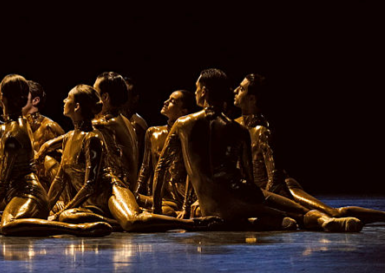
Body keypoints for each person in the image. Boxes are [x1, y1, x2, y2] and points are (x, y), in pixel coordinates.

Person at [154, 69, 361, 232]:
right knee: (297, 210)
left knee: (276, 213)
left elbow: (161, 168)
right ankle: (323, 221)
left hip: (212, 206)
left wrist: (157, 213)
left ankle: (279, 220)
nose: (195, 92)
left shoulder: (183, 124)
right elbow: (248, 179)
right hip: (240, 198)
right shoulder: (237, 129)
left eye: (197, 88)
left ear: (204, 91)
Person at [0, 76, 111, 236]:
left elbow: (2, 182)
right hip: (16, 197)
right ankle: (15, 225)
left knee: (7, 225)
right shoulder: (18, 124)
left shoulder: (14, 133)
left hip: (29, 196)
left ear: (1, 98)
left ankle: (73, 228)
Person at [50, 84, 203, 232]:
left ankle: (190, 223)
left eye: (68, 98)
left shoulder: (92, 138)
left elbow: (91, 184)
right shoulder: (68, 138)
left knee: (132, 221)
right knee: (67, 216)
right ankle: (116, 223)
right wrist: (46, 210)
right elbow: (59, 180)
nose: (64, 100)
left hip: (110, 193)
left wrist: (61, 211)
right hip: (91, 203)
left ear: (77, 106)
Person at [234, 74, 384, 223]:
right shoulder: (234, 126)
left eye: (241, 89)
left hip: (281, 189)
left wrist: (270, 201)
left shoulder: (262, 131)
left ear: (252, 99)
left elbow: (274, 179)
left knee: (334, 213)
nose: (235, 91)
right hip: (261, 194)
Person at [136, 89, 195, 215]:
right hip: (156, 196)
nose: (165, 102)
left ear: (183, 111)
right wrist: (136, 193)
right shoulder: (153, 133)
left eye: (172, 101)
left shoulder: (188, 137)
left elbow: (192, 173)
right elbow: (145, 169)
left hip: (177, 199)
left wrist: (186, 207)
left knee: (167, 211)